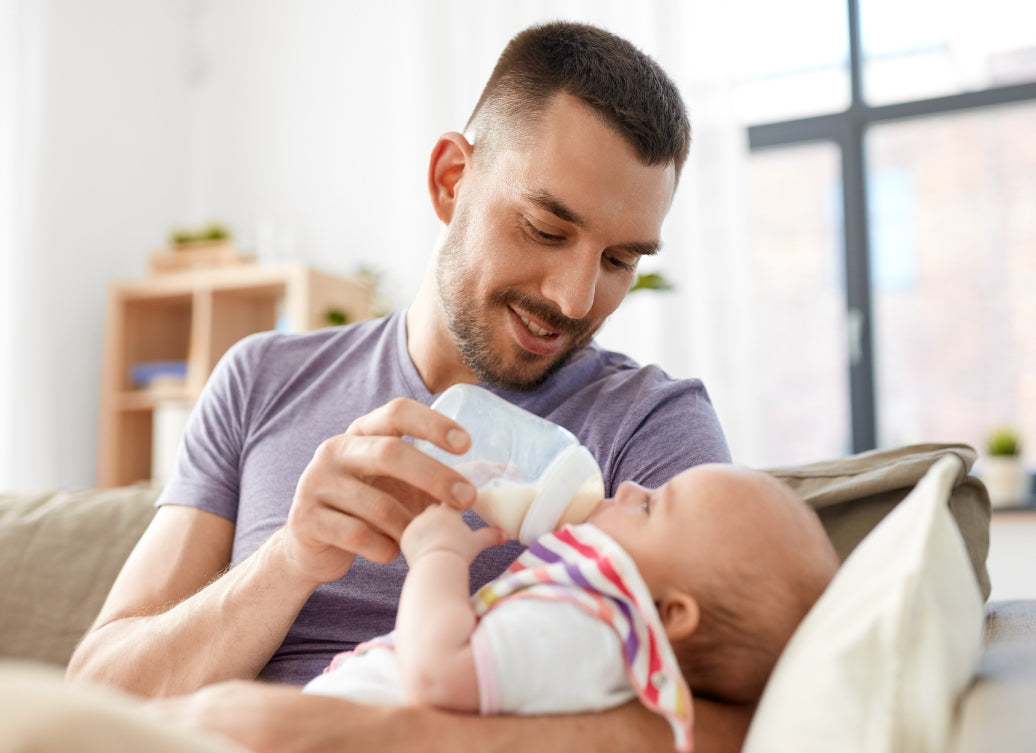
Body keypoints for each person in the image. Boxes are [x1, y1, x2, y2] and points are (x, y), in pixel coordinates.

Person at [66, 20, 742, 753]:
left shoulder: (650, 425)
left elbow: (735, 720)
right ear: (451, 181)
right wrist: (290, 559)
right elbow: (91, 701)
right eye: (546, 230)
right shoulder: (262, 379)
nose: (576, 299)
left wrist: (368, 731)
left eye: (619, 259)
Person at [303, 464, 840, 753]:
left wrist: (437, 556)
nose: (628, 486)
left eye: (651, 505)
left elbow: (439, 676)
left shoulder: (593, 627)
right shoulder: (591, 621)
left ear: (672, 614)